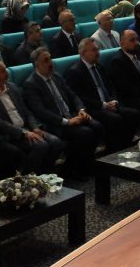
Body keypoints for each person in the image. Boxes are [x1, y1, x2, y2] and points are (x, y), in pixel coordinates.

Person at [22, 48, 102, 178]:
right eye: (46, 60)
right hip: (55, 124)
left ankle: (81, 166)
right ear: (37, 64)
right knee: (85, 133)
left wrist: (81, 110)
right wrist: (67, 122)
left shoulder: (56, 76)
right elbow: (40, 112)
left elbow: (73, 95)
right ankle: (75, 169)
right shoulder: (31, 84)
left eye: (50, 58)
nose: (50, 63)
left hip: (71, 116)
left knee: (97, 126)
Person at [0, 59, 65, 174]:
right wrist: (23, 133)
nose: (7, 73)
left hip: (27, 128)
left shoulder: (12, 87)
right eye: (3, 71)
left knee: (55, 142)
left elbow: (26, 112)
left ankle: (45, 175)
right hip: (11, 135)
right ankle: (27, 178)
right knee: (40, 145)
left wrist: (34, 127)